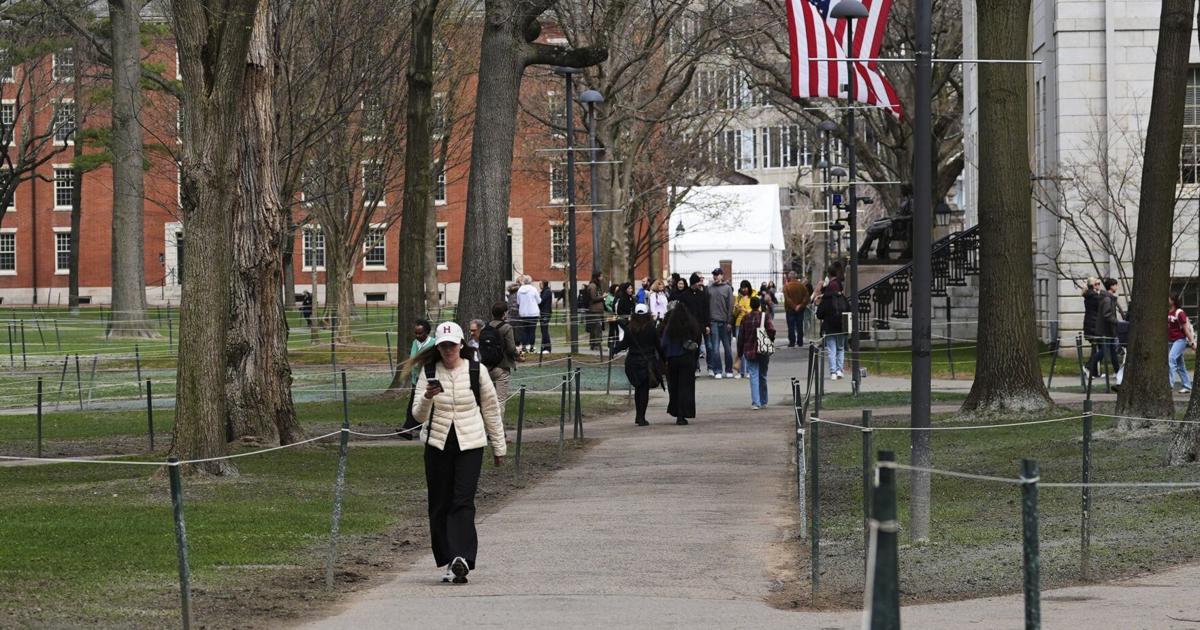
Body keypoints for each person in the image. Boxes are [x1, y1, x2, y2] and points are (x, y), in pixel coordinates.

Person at [407, 321, 505, 585]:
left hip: (470, 443)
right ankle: (449, 559)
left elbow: (491, 410)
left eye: (452, 345)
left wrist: (499, 446)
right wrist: (428, 396)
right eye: (443, 346)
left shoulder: (477, 370)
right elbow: (417, 415)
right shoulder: (429, 371)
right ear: (437, 348)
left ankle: (462, 556)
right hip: (437, 444)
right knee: (440, 503)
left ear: (461, 345)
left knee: (462, 500)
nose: (448, 350)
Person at [612, 303, 666, 426]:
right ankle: (641, 417)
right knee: (644, 390)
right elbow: (658, 345)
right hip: (648, 362)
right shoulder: (651, 328)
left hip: (633, 362)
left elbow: (624, 344)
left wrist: (614, 350)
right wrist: (664, 358)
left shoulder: (630, 328)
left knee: (638, 389)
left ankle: (639, 415)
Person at [661, 302, 701, 425]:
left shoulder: (670, 327)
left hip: (673, 359)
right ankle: (684, 413)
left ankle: (676, 410)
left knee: (675, 387)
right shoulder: (692, 325)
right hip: (687, 359)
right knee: (686, 387)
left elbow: (664, 344)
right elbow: (697, 341)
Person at [400, 319, 438, 440]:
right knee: (414, 403)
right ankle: (409, 428)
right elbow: (413, 358)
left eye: (420, 333)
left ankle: (409, 428)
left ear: (427, 332)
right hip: (416, 380)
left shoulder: (434, 343)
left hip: (428, 379)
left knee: (425, 403)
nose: (417, 336)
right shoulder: (415, 343)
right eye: (416, 333)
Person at [482, 302, 520, 420]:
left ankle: (485, 426)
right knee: (500, 400)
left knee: (487, 400)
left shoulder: (486, 327)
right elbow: (511, 348)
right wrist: (517, 355)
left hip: (487, 366)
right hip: (502, 366)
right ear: (504, 313)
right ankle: (498, 430)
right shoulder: (507, 327)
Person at [737, 296, 776, 410]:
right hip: (763, 350)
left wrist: (740, 353)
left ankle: (756, 402)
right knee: (762, 375)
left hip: (749, 350)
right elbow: (772, 330)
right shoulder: (765, 316)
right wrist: (769, 340)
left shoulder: (745, 318)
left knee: (753, 375)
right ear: (759, 305)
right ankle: (763, 400)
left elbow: (741, 337)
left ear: (750, 305)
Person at [816, 264, 848, 379]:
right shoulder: (843, 297)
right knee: (840, 348)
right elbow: (848, 310)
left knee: (831, 349)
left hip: (829, 326)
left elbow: (819, 314)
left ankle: (833, 372)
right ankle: (840, 370)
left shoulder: (826, 298)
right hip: (841, 325)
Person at [1088, 278, 1121, 381]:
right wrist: (1117, 322)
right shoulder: (1107, 299)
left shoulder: (1107, 298)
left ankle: (1117, 371)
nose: (1117, 287)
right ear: (1111, 286)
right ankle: (1088, 366)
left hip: (1108, 330)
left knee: (1112, 351)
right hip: (1105, 330)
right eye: (1116, 285)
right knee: (1105, 350)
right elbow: (1107, 315)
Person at [706, 268, 736, 379]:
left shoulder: (727, 289)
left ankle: (729, 369)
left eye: (717, 275)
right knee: (715, 348)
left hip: (724, 322)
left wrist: (729, 322)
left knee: (727, 348)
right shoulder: (709, 289)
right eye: (714, 275)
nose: (715, 277)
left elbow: (731, 306)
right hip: (713, 321)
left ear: (722, 276)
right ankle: (717, 370)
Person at [1169, 293, 1195, 394]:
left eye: (1169, 298)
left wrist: (1192, 341)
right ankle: (1187, 386)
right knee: (1180, 365)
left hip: (1179, 340)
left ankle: (1169, 384)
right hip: (1170, 341)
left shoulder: (1179, 312)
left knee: (1171, 359)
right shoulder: (1167, 311)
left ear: (1173, 301)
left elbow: (1186, 328)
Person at [731, 280, 757, 378]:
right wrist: (736, 308)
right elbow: (734, 313)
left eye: (745, 287)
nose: (744, 289)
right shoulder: (739, 298)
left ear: (749, 287)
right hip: (739, 323)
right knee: (740, 347)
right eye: (742, 288)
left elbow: (756, 310)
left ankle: (749, 371)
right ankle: (740, 371)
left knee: (748, 347)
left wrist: (744, 310)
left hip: (750, 323)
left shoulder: (754, 296)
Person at [1081, 277, 1103, 378]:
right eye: (1097, 283)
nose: (1099, 285)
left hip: (1090, 324)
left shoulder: (1089, 295)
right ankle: (1088, 366)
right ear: (1093, 285)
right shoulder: (1094, 296)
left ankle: (1093, 372)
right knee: (1104, 348)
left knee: (1095, 348)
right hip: (1094, 325)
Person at [783, 271, 810, 348]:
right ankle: (800, 341)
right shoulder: (802, 286)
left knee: (791, 326)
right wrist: (800, 305)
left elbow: (787, 299)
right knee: (800, 325)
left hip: (790, 309)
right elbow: (806, 297)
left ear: (789, 277)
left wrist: (794, 306)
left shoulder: (787, 286)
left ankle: (792, 342)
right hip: (800, 309)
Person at [516, 275, 541, 353]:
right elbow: (539, 301)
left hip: (523, 313)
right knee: (532, 331)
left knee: (524, 331)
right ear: (530, 282)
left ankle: (524, 347)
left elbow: (518, 302)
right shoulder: (533, 289)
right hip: (533, 313)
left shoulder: (520, 290)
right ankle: (532, 347)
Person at [584, 272, 606, 351]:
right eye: (601, 276)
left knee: (595, 328)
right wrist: (602, 297)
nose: (602, 277)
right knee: (597, 328)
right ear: (598, 277)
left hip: (597, 310)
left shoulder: (596, 285)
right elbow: (593, 298)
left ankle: (593, 344)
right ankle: (596, 344)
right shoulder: (593, 286)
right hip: (595, 310)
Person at [539, 280, 553, 354]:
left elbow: (541, 301)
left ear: (544, 284)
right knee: (543, 330)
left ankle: (547, 347)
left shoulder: (547, 291)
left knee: (545, 331)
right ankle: (543, 347)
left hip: (545, 313)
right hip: (543, 312)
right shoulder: (545, 291)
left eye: (540, 284)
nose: (539, 285)